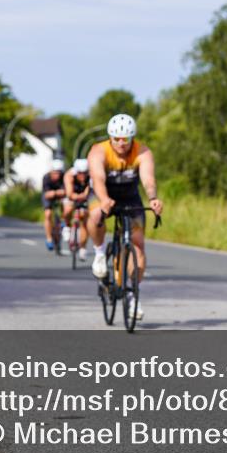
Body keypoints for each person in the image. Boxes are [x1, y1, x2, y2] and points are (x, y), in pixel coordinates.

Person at [87, 114, 163, 321]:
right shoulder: (98, 151)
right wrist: (104, 200)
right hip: (103, 194)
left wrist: (153, 198)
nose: (122, 143)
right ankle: (100, 253)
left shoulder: (142, 151)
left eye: (126, 139)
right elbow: (98, 178)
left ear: (132, 138)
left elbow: (148, 179)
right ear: (110, 137)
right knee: (95, 214)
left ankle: (133, 295)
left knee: (137, 245)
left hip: (130, 197)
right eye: (117, 139)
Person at [62, 158, 92, 261]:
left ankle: (83, 248)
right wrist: (78, 197)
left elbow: (88, 192)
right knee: (68, 209)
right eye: (80, 173)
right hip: (72, 194)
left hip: (85, 196)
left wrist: (85, 196)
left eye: (85, 173)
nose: (82, 176)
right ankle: (67, 226)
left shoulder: (91, 175)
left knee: (85, 218)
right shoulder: (69, 175)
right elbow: (69, 194)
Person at [41, 159, 67, 251]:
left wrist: (56, 193)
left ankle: (64, 220)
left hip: (60, 196)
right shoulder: (46, 177)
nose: (57, 175)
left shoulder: (64, 177)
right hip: (49, 197)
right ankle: (49, 238)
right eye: (55, 173)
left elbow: (67, 191)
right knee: (48, 214)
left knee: (66, 203)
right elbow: (47, 194)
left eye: (59, 173)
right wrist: (58, 192)